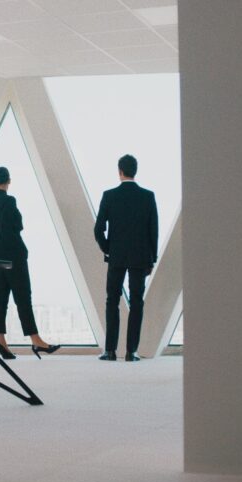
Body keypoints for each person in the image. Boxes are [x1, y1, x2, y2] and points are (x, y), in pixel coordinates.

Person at [0, 166, 60, 360]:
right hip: (13, 252)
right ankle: (36, 340)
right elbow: (16, 226)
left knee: (0, 296)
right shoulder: (10, 201)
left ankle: (1, 342)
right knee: (22, 296)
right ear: (9, 181)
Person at [94, 154, 158, 362]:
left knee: (112, 300)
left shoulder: (109, 196)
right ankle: (132, 352)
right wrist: (152, 258)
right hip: (140, 257)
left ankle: (110, 351)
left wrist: (108, 249)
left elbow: (98, 229)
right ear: (135, 171)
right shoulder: (148, 196)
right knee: (137, 302)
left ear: (120, 171)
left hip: (117, 256)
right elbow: (153, 231)